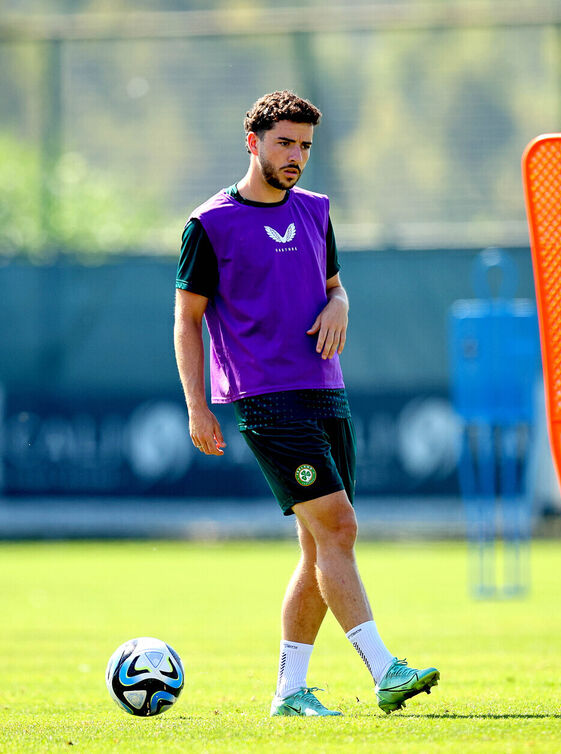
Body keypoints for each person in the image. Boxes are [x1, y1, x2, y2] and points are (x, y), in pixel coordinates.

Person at [173, 90, 439, 717]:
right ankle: (385, 669)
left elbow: (334, 288)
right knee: (340, 528)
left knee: (321, 546)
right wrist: (197, 406)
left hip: (326, 390)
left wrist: (340, 304)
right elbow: (187, 319)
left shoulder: (316, 211)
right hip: (266, 399)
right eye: (285, 143)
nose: (296, 156)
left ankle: (289, 692)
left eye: (305, 146)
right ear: (253, 143)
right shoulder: (209, 224)